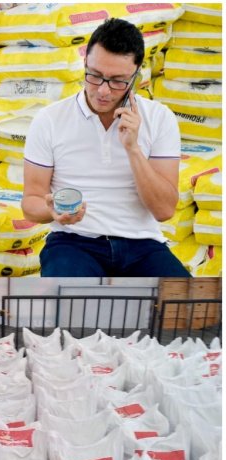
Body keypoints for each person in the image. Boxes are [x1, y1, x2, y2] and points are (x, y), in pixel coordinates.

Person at [23, 18, 188, 278]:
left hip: (142, 245)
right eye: (95, 75)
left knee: (190, 311)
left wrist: (133, 148)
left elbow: (164, 210)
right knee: (74, 310)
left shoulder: (159, 118)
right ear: (84, 63)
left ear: (137, 75)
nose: (103, 90)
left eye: (118, 81)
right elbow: (31, 202)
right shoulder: (50, 119)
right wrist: (52, 211)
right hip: (73, 242)